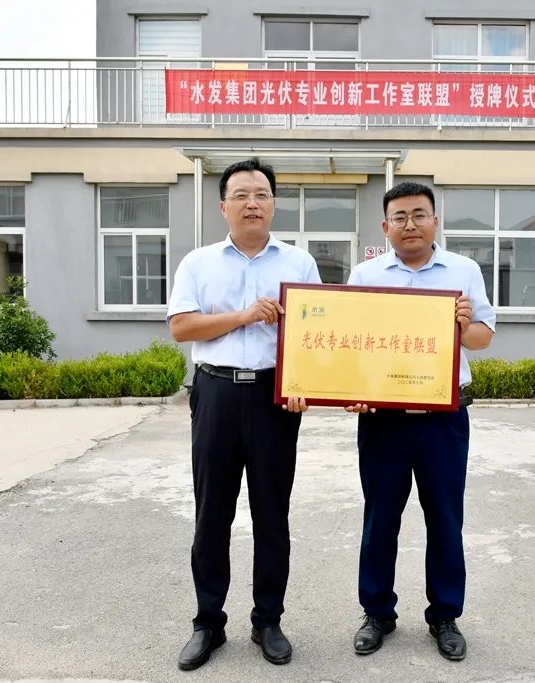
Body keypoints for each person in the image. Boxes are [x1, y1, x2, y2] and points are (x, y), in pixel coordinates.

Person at [167, 158, 320, 671]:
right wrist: (245, 316)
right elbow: (182, 327)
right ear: (223, 206)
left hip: (275, 399)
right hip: (216, 393)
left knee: (272, 515)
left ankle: (268, 621)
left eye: (261, 194)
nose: (252, 203)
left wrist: (305, 384)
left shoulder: (299, 264)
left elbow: (314, 336)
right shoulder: (198, 263)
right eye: (241, 195)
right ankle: (208, 622)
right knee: (212, 512)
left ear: (274, 204)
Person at [345, 181, 495, 661]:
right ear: (385, 226)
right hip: (383, 419)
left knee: (445, 519)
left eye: (418, 214)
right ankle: (377, 613)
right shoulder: (366, 275)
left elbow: (483, 338)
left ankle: (445, 616)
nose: (410, 224)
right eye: (400, 217)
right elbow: (351, 342)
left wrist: (463, 325)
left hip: (443, 417)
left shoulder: (463, 271)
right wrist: (352, 391)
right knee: (380, 518)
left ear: (435, 221)